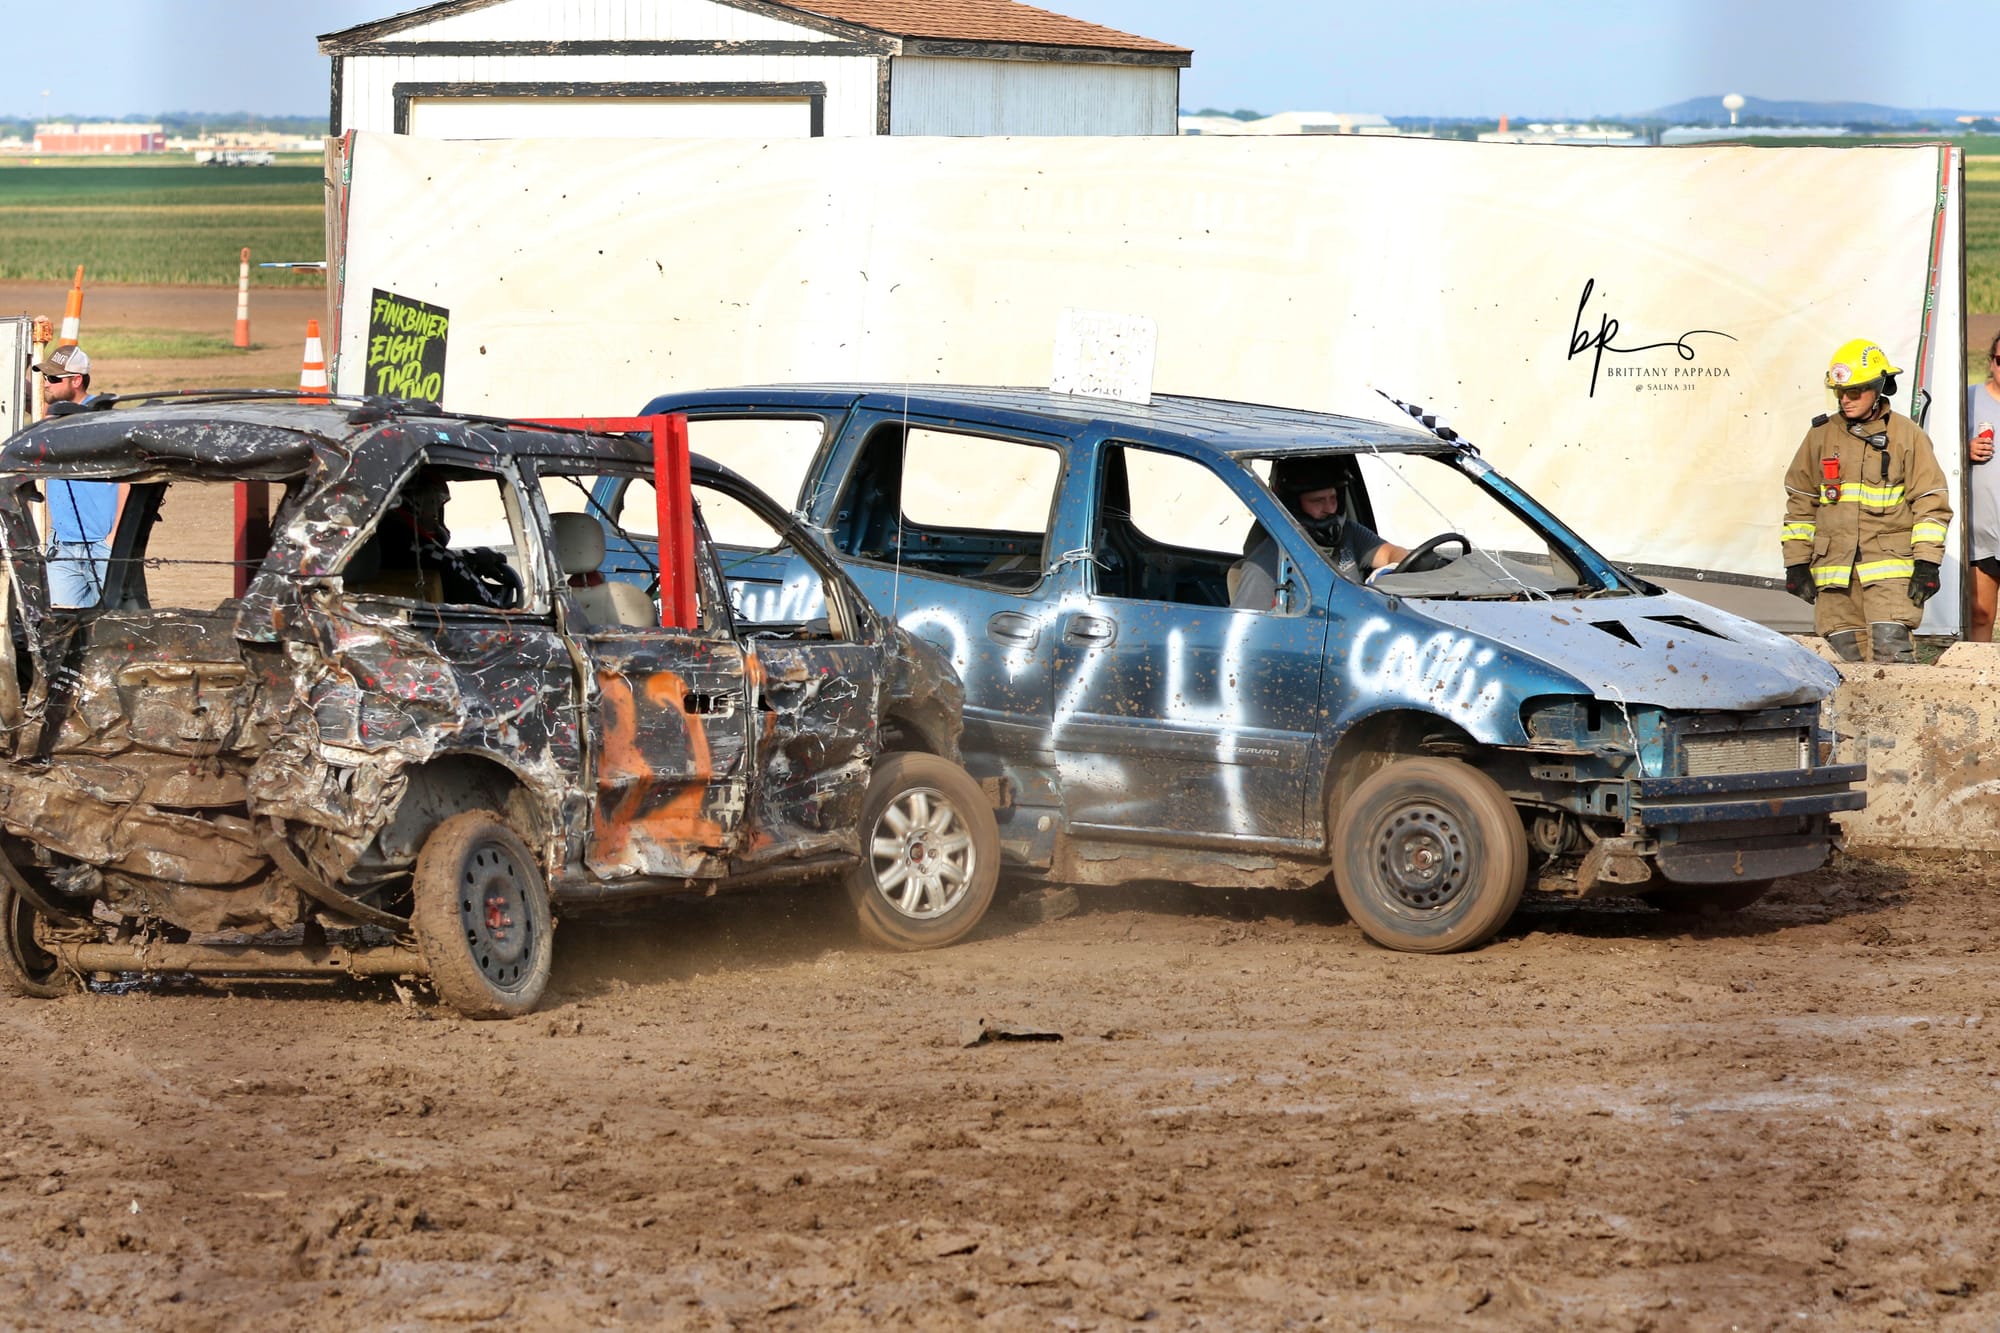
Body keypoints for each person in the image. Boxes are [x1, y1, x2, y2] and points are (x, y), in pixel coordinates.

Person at [1781, 338, 1952, 664]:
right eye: (1839, 393)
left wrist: (1927, 563)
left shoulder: (1907, 435)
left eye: (1854, 392)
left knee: (1891, 655)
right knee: (1842, 663)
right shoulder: (1820, 436)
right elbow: (1801, 503)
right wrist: (1796, 564)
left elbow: (1930, 502)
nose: (1845, 400)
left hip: (1890, 572)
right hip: (1834, 575)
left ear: (1878, 388)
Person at [1231, 456, 1411, 610]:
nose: (1330, 508)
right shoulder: (1267, 561)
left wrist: (1389, 573)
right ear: (1293, 504)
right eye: (1317, 501)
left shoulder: (1349, 533)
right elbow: (1248, 629)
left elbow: (1393, 554)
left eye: (1333, 498)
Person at [34, 345, 126, 607]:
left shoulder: (101, 419)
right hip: (62, 545)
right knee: (60, 623)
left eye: (53, 378)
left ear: (76, 380)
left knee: (114, 621)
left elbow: (127, 478)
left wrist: (114, 537)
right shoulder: (53, 417)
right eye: (45, 377)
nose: (46, 383)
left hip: (102, 545)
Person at [1967, 329, 2000, 641]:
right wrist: (1965, 448)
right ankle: (1976, 669)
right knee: (1980, 614)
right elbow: (1937, 449)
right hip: (1982, 535)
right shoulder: (1969, 399)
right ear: (1991, 362)